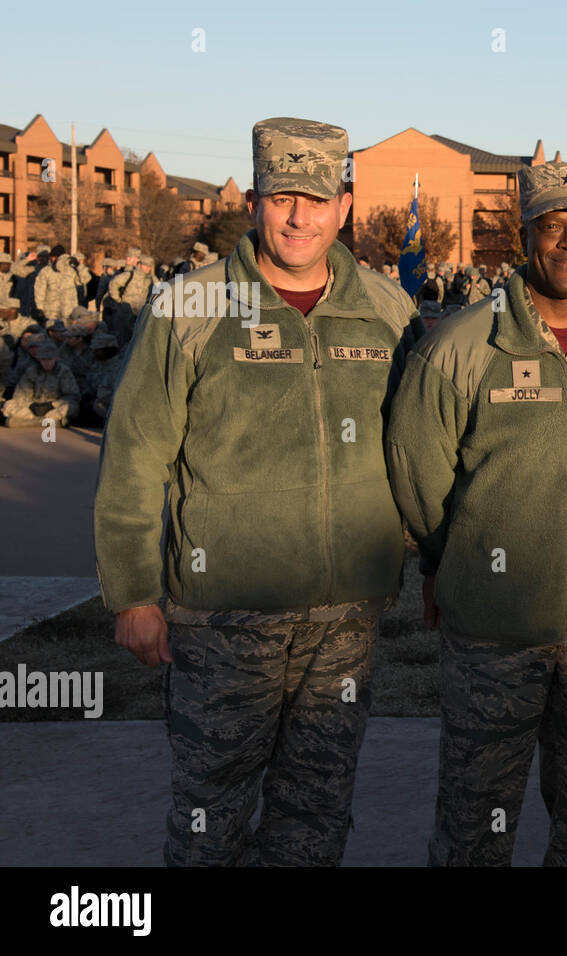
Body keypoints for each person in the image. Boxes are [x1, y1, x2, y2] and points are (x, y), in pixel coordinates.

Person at [94, 116, 417, 867]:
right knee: (212, 811)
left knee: (317, 808)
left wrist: (442, 557)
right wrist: (133, 594)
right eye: (281, 197)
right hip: (224, 616)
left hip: (345, 615)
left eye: (315, 197)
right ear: (256, 204)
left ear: (343, 205)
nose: (299, 216)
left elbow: (419, 449)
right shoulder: (191, 308)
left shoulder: (386, 309)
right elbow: (136, 454)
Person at [386, 160, 567, 866]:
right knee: (476, 827)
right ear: (525, 236)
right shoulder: (461, 344)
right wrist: (460, 562)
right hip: (492, 636)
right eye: (551, 226)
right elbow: (419, 473)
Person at [2, 340, 78, 427]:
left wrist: (52, 405)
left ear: (56, 358)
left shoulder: (64, 372)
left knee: (71, 406)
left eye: (49, 359)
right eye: (43, 360)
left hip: (53, 407)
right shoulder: (31, 371)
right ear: (39, 359)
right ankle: (47, 422)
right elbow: (20, 395)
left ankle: (28, 422)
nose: (47, 363)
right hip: (33, 407)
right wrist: (31, 405)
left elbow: (72, 396)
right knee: (9, 405)